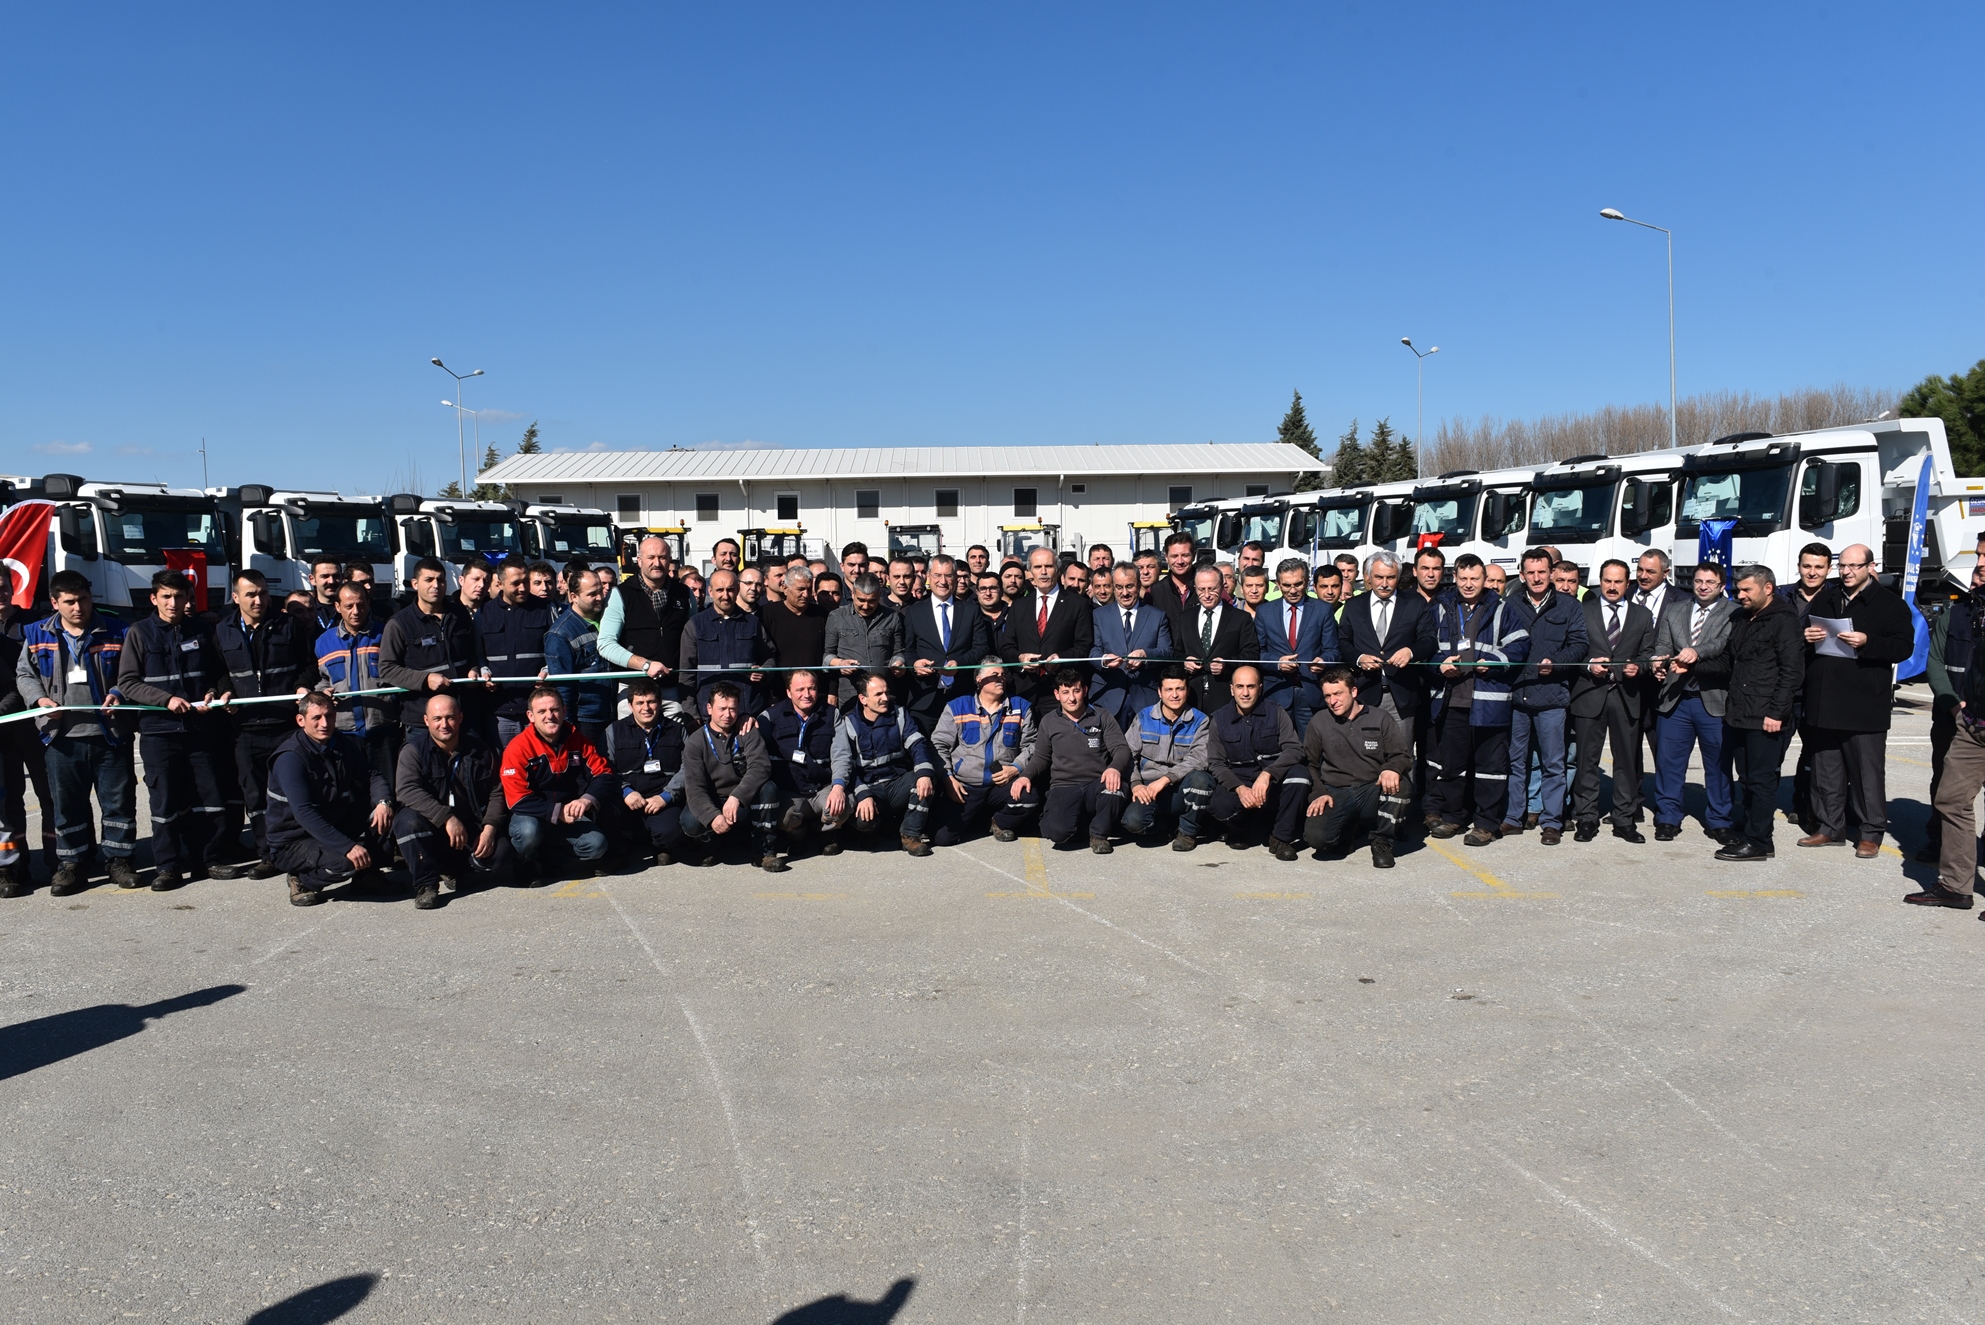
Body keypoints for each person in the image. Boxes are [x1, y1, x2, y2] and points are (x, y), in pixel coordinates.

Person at [13, 571, 139, 895]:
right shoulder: (36, 633)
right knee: (67, 806)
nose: (78, 607)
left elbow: (131, 672)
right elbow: (24, 674)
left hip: (110, 734)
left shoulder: (117, 630)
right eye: (69, 602)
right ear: (55, 602)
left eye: (83, 599)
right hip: (61, 738)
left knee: (118, 802)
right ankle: (73, 865)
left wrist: (118, 693)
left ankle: (119, 861)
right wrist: (39, 700)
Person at [114, 570, 232, 890]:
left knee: (207, 797)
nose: (173, 602)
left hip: (199, 728)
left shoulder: (202, 630)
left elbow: (217, 672)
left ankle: (208, 859)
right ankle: (168, 866)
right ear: (154, 598)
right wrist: (164, 699)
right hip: (159, 732)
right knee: (165, 801)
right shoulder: (139, 632)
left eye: (179, 596)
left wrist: (213, 692)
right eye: (166, 596)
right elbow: (127, 682)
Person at [1798, 542, 1914, 856]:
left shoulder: (1889, 604)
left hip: (1864, 703)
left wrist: (1867, 642)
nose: (1846, 572)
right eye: (1842, 566)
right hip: (1825, 700)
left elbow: (1903, 647)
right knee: (1825, 770)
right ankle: (1829, 827)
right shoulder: (1827, 597)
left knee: (1866, 774)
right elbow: (1804, 633)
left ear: (1870, 567)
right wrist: (1806, 636)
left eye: (1854, 566)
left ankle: (1870, 832)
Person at [1682, 566, 1804, 862]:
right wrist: (1691, 667)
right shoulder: (1741, 617)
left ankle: (1759, 843)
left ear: (1768, 588)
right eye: (1738, 590)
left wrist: (1776, 712)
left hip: (1766, 716)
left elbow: (1791, 671)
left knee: (1762, 780)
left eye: (1747, 590)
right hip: (1739, 711)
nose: (1741, 595)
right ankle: (1752, 827)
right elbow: (1727, 662)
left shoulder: (1784, 621)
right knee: (1747, 778)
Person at [1418, 553, 1530, 846]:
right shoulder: (1440, 607)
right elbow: (1425, 645)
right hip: (1450, 699)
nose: (1468, 584)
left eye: (1475, 578)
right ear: (1455, 578)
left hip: (1489, 701)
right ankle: (1453, 817)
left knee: (1490, 768)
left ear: (1484, 580)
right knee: (1452, 767)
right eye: (1463, 578)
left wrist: (1494, 661)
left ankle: (1485, 824)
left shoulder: (1502, 608)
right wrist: (1439, 663)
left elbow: (1521, 645)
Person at [213, 568, 315, 877]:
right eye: (251, 595)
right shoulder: (223, 631)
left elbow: (309, 664)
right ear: (235, 597)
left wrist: (302, 685)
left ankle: (297, 848)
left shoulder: (289, 625)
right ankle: (267, 853)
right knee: (255, 795)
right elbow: (219, 671)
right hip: (246, 727)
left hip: (284, 724)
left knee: (292, 790)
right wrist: (225, 691)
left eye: (263, 593)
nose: (259, 600)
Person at [265, 691, 394, 906]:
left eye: (329, 716)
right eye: (316, 718)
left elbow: (372, 775)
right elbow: (304, 813)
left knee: (384, 810)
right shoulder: (290, 758)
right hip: (293, 840)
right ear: (300, 720)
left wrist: (383, 803)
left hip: (331, 822)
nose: (324, 723)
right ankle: (303, 880)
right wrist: (347, 847)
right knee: (346, 863)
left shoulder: (339, 742)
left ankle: (367, 876)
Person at [393, 690, 513, 906]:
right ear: (426, 721)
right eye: (437, 718)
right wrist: (446, 818)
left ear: (460, 718)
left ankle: (455, 870)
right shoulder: (413, 751)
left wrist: (490, 828)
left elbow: (497, 791)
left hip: (468, 827)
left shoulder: (481, 750)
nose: (444, 724)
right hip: (431, 826)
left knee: (502, 853)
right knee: (407, 821)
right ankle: (426, 885)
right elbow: (406, 790)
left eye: (450, 717)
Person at [1649, 564, 1739, 844]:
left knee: (1718, 765)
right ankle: (1667, 818)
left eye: (1709, 582)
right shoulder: (1674, 610)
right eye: (1698, 581)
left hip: (1713, 700)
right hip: (1676, 699)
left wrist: (1694, 652)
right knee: (1669, 763)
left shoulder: (1733, 612)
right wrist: (1658, 660)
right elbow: (1663, 644)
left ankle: (1720, 820)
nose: (1702, 586)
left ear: (1721, 585)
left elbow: (1721, 644)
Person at [1504, 548, 1588, 843]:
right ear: (1521, 575)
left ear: (1551, 573)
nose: (1537, 578)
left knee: (1554, 763)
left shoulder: (1569, 606)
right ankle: (1513, 817)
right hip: (1517, 695)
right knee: (1516, 761)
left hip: (1552, 695)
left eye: (1542, 572)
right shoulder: (1510, 604)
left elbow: (1580, 644)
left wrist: (1557, 663)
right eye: (1531, 572)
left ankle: (1552, 821)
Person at [1568, 559, 1655, 842]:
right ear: (1600, 581)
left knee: (1626, 761)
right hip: (1590, 693)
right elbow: (1573, 648)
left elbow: (1649, 652)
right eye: (1607, 581)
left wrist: (1639, 666)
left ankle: (1624, 819)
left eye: (1618, 581)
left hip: (1626, 695)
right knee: (1587, 760)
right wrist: (1589, 664)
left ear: (1628, 584)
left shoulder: (1642, 615)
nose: (1612, 586)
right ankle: (1586, 818)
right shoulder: (1583, 610)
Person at [500, 686, 616, 884]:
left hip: (567, 814)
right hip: (530, 815)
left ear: (564, 710)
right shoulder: (518, 748)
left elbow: (604, 773)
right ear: (530, 716)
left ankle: (549, 857)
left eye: (554, 709)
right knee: (528, 833)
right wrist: (557, 812)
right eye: (542, 711)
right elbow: (516, 799)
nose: (549, 716)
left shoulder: (577, 739)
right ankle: (523, 863)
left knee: (596, 845)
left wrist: (586, 800)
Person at [1303, 667, 1412, 868]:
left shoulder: (1380, 718)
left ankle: (1382, 841)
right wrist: (1318, 792)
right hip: (1336, 792)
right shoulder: (1319, 721)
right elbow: (1309, 763)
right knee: (1317, 839)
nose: (1332, 701)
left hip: (1372, 789)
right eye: (1327, 696)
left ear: (1353, 692)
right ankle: (1349, 830)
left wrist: (1392, 768)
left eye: (1338, 694)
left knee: (1401, 783)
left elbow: (1402, 755)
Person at [1012, 667, 1131, 853]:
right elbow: (1041, 757)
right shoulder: (1049, 721)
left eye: (1076, 691)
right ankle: (1080, 825)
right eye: (1065, 692)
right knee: (1057, 834)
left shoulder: (1102, 716)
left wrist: (1114, 768)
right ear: (1057, 694)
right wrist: (1025, 776)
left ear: (1085, 690)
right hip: (1064, 786)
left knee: (1116, 788)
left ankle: (1098, 835)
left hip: (1096, 784)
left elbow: (1121, 748)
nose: (1072, 698)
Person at [1205, 663, 1309, 857]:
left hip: (1272, 780)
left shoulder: (1276, 712)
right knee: (1219, 804)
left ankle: (1281, 838)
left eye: (1251, 686)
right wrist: (1239, 788)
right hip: (1240, 779)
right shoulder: (1219, 719)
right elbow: (1216, 763)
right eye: (1240, 687)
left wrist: (1268, 774)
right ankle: (1240, 831)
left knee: (1300, 776)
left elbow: (1294, 748)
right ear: (1232, 689)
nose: (1245, 693)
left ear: (1260, 688)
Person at [930, 659, 1037, 846]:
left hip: (1002, 784)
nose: (1001, 679)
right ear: (979, 680)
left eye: (1003, 675)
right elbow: (938, 745)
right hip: (966, 785)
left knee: (1030, 798)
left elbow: (1032, 745)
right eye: (994, 675)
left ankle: (1000, 822)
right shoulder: (957, 707)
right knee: (942, 838)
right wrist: (948, 778)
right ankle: (976, 818)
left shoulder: (1021, 707)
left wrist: (1016, 768)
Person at [828, 671, 936, 855]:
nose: (885, 698)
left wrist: (924, 774)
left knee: (926, 780)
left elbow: (917, 744)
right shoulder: (848, 722)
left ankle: (910, 835)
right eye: (878, 694)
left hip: (896, 783)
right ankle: (871, 830)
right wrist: (863, 794)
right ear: (863, 699)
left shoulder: (900, 714)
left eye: (886, 692)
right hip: (867, 787)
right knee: (864, 820)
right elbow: (847, 766)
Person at [1920, 557, 1985, 862]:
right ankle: (1939, 840)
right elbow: (1935, 662)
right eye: (1976, 573)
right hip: (1951, 715)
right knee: (1944, 782)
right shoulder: (1955, 615)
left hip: (1979, 718)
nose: (1977, 579)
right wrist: (1953, 704)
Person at [598, 534, 698, 717]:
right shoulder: (621, 594)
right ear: (639, 560)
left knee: (675, 735)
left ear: (670, 560)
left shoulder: (684, 594)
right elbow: (605, 644)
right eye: (651, 557)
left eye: (662, 557)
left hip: (674, 691)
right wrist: (645, 665)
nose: (657, 563)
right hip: (633, 691)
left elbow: (695, 639)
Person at [379, 557, 483, 727]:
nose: (436, 585)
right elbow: (387, 669)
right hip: (423, 718)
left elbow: (473, 651)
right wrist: (424, 679)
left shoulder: (460, 614)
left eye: (441, 580)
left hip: (463, 713)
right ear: (415, 584)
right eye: (429, 580)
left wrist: (473, 668)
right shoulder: (399, 623)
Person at [1118, 668, 1214, 851]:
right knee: (1133, 822)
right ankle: (1165, 829)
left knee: (1201, 780)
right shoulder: (1144, 717)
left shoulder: (1200, 721)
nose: (1174, 695)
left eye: (1180, 689)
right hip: (1149, 789)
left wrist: (1165, 779)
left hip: (1180, 787)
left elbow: (1199, 759)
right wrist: (1136, 784)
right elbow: (1127, 754)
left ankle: (1187, 832)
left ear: (1187, 691)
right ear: (1160, 692)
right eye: (1169, 689)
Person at [316, 581, 396, 791]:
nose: (355, 611)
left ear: (368, 604)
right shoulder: (324, 642)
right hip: (344, 734)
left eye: (360, 605)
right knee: (351, 795)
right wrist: (323, 692)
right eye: (349, 606)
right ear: (337, 607)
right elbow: (322, 679)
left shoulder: (385, 634)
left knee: (386, 792)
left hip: (382, 731)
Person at [759, 668, 845, 858]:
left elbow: (842, 754)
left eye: (811, 688)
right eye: (800, 690)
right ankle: (798, 835)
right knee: (786, 818)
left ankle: (825, 832)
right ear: (789, 692)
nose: (806, 694)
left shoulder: (831, 714)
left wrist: (838, 786)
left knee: (842, 807)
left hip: (823, 786)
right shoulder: (769, 717)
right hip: (790, 789)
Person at [902, 554, 992, 732]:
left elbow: (981, 647)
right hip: (925, 698)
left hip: (963, 696)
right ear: (928, 576)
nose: (943, 581)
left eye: (948, 576)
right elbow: (907, 649)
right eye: (937, 575)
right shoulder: (914, 611)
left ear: (956, 578)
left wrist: (960, 664)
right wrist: (914, 664)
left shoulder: (971, 610)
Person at [1778, 543, 1833, 835]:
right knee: (1772, 751)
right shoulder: (1781, 595)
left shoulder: (1836, 597)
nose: (1812, 572)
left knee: (1814, 755)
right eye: (1807, 566)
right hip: (1783, 687)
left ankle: (1804, 807)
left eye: (1819, 567)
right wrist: (1800, 635)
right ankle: (1756, 809)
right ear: (1798, 566)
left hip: (1818, 687)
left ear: (1828, 569)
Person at [608, 677, 689, 865]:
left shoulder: (677, 730)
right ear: (630, 706)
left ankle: (660, 846)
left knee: (671, 834)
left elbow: (689, 768)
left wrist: (666, 797)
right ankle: (621, 848)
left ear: (659, 703)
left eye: (651, 702)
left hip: (661, 796)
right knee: (608, 817)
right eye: (640, 703)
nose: (646, 708)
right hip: (627, 797)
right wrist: (625, 791)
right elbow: (605, 768)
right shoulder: (613, 730)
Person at [475, 555, 553, 748]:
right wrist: (483, 670)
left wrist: (548, 669)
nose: (523, 588)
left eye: (526, 581)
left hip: (537, 708)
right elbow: (477, 652)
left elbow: (555, 649)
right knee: (505, 761)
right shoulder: (485, 612)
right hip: (500, 709)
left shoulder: (544, 609)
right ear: (500, 584)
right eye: (516, 583)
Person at [1001, 546, 1095, 705]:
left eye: (1048, 566)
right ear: (1030, 572)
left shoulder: (1077, 604)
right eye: (1038, 567)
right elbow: (1006, 647)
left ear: (1057, 570)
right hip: (1024, 690)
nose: (1043, 572)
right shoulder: (1019, 606)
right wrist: (1020, 659)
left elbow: (1084, 645)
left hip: (1061, 690)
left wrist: (1061, 659)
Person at [1256, 557, 1337, 739]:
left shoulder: (1323, 610)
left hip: (1311, 690)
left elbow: (1333, 650)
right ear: (1278, 584)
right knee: (1277, 745)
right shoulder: (1264, 611)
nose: (1292, 590)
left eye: (1298, 584)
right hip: (1277, 691)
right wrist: (1277, 663)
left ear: (1307, 582)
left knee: (1311, 746)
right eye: (1286, 585)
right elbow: (1257, 652)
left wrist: (1324, 661)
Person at [680, 568, 775, 718]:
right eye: (720, 590)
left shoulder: (753, 623)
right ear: (710, 592)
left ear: (737, 590)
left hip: (748, 712)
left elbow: (770, 657)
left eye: (730, 590)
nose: (725, 596)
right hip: (709, 713)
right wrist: (691, 714)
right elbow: (686, 673)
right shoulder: (695, 625)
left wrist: (764, 671)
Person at [1092, 565, 1174, 726]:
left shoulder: (1157, 616)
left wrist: (1145, 655)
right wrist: (1104, 660)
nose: (1124, 593)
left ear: (1138, 585)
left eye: (1129, 586)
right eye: (1119, 587)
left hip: (1145, 696)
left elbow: (1167, 652)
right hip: (1109, 695)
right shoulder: (1099, 615)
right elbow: (1093, 650)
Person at [544, 564, 615, 751]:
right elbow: (563, 687)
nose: (600, 597)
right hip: (586, 719)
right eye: (592, 594)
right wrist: (568, 727)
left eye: (600, 591)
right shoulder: (560, 634)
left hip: (612, 711)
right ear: (573, 597)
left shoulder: (609, 619)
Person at [1180, 564, 1259, 715]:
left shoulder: (1240, 618)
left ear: (1222, 587)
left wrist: (1226, 664)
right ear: (1195, 588)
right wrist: (1185, 661)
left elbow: (1252, 655)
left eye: (1212, 589)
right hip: (1192, 696)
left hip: (1224, 696)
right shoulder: (1185, 617)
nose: (1207, 595)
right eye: (1201, 589)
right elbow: (1177, 652)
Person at [822, 573, 908, 706]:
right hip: (851, 695)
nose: (866, 606)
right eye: (861, 600)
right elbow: (827, 655)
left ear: (879, 596)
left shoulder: (892, 617)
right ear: (853, 594)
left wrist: (898, 662)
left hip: (884, 695)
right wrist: (840, 663)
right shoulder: (837, 617)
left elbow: (898, 651)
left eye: (872, 601)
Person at [761, 566, 829, 675]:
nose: (806, 595)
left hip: (814, 683)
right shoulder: (767, 614)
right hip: (779, 683)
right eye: (800, 589)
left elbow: (828, 652)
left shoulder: (821, 615)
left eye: (809, 589)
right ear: (785, 588)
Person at [1151, 532, 1198, 620]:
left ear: (1194, 556)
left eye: (1185, 555)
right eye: (1174, 556)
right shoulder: (1155, 592)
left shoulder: (1208, 587)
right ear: (1166, 557)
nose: (1180, 561)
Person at [305, 555, 344, 634]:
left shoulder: (352, 609)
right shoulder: (304, 610)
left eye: (336, 576)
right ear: (312, 579)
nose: (331, 581)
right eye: (325, 576)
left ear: (342, 578)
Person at [973, 570, 1010, 644]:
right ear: (977, 592)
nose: (988, 593)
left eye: (993, 588)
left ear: (1001, 591)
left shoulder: (1013, 615)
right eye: (983, 589)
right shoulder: (970, 617)